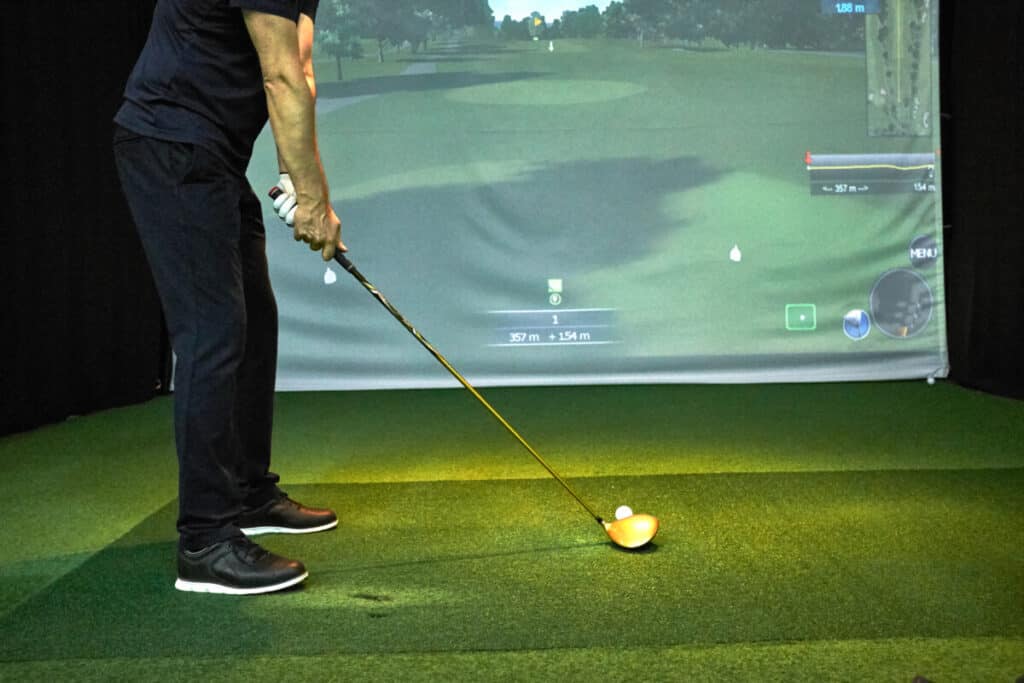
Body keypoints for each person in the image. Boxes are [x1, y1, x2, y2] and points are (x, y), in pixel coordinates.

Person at [112, 0, 344, 595]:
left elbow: (300, 68)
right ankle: (205, 540)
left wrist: (304, 185)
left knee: (254, 322)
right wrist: (311, 201)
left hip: (210, 154)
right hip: (172, 144)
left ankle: (245, 492)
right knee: (211, 333)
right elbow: (280, 77)